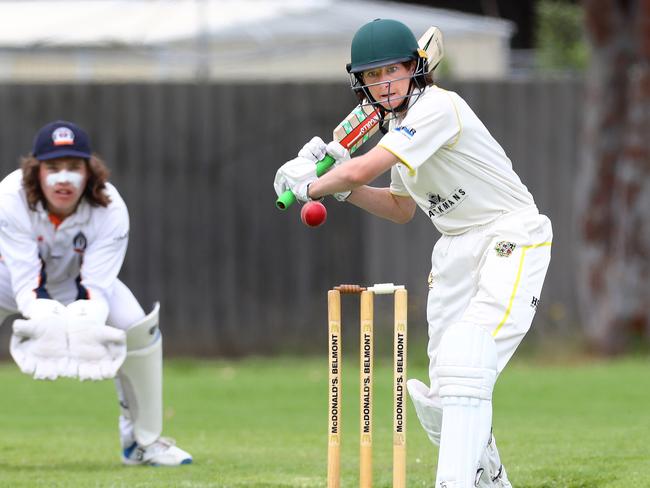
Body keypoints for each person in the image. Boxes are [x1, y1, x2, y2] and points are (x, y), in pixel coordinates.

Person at [274, 19, 552, 487]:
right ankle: (490, 478)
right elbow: (402, 207)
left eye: (393, 71)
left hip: (510, 232)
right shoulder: (400, 126)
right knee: (443, 393)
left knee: (468, 360)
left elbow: (368, 165)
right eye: (373, 76)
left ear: (414, 68)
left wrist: (312, 184)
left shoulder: (438, 108)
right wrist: (346, 188)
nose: (383, 84)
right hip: (454, 248)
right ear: (360, 81)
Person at [0, 120, 192, 466]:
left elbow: (97, 286)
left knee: (138, 328)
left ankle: (142, 442)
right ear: (35, 171)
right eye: (53, 168)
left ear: (89, 172)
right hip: (7, 281)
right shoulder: (10, 197)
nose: (64, 178)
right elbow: (26, 277)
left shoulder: (111, 208)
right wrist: (45, 319)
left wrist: (86, 323)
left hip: (77, 283)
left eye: (74, 167)